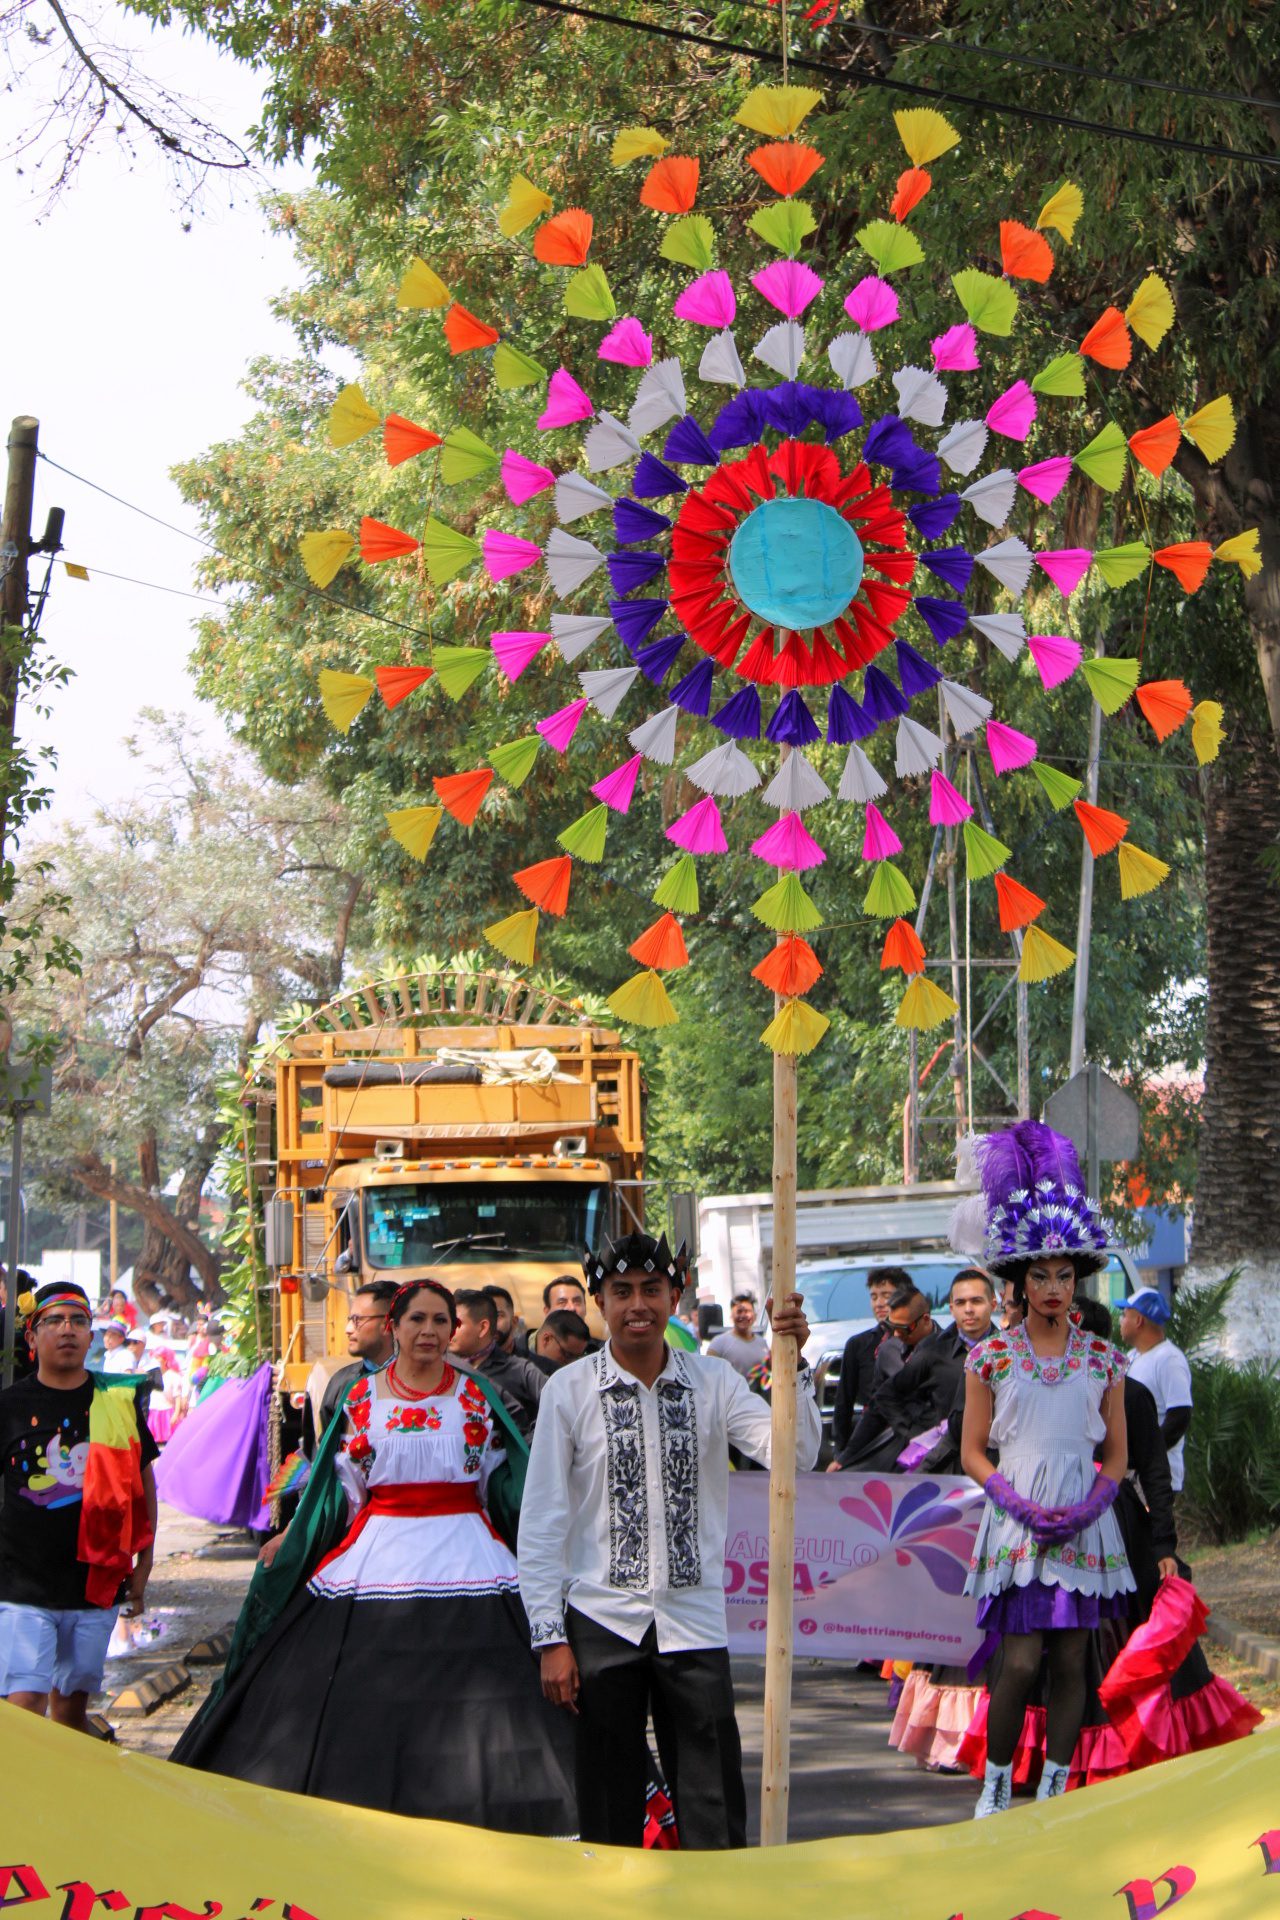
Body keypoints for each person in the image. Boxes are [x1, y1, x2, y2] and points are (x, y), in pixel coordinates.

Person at [172, 1278, 575, 1831]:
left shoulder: (477, 1395)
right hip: (375, 1553)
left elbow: (506, 1487)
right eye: (417, 1320)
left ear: (454, 1330)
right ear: (396, 1326)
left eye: (441, 1321)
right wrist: (295, 1538)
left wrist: (554, 1541)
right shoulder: (359, 1397)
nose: (429, 1331)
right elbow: (335, 1491)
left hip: (471, 1554)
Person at [518, 1228, 820, 1850]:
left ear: (675, 1295)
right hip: (601, 1620)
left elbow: (797, 1455)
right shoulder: (568, 1391)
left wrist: (792, 1362)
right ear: (598, 1301)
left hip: (694, 1619)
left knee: (712, 1804)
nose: (637, 1305)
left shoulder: (715, 1383)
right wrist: (549, 1637)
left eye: (651, 1290)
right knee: (608, 1806)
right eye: (621, 1290)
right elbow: (544, 1517)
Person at [956, 1121, 1135, 1817]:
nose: (1054, 1287)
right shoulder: (989, 1358)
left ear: (1077, 1280)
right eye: (1040, 1276)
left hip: (1086, 1522)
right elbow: (974, 1448)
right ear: (1019, 1281)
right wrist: (1016, 1503)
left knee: (1071, 1664)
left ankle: (1057, 1791)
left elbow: (1115, 1455)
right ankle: (997, 1785)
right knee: (1021, 1661)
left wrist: (1091, 1506)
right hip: (1018, 1523)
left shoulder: (1104, 1359)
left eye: (1064, 1275)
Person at [0, 1282, 157, 1734]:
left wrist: (144, 1564)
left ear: (91, 1336)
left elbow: (143, 1487)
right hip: (20, 1585)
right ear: (32, 1338)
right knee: (24, 1705)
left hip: (95, 1582)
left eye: (78, 1321)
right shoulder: (9, 1407)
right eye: (54, 1321)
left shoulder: (117, 1403)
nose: (67, 1330)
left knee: (69, 1716)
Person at [830, 1282, 938, 1471]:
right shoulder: (889, 1350)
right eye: (891, 1327)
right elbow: (877, 1408)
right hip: (900, 1446)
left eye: (903, 1329)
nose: (896, 1334)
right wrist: (845, 1457)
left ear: (925, 1319)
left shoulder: (948, 1350)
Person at [302, 1279, 397, 1456]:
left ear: (388, 1324)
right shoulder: (341, 1383)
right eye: (349, 1319)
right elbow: (324, 1455)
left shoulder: (426, 1379)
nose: (348, 1329)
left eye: (357, 1320)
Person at [1120, 1288, 1193, 1496]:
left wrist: (1146, 1455)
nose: (1121, 1320)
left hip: (1155, 1479)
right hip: (1131, 1475)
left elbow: (1179, 1417)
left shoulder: (1169, 1360)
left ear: (1139, 1321)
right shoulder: (1132, 1357)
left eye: (1125, 1314)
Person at [829, 1266, 904, 1456]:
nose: (879, 1303)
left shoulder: (921, 1340)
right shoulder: (858, 1344)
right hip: (869, 1437)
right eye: (874, 1297)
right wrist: (841, 1450)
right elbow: (844, 1401)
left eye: (886, 1295)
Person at [451, 1287, 545, 1433]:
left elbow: (560, 1408)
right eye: (445, 1321)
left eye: (457, 1324)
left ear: (483, 1327)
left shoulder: (521, 1371)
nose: (449, 1330)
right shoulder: (439, 1370)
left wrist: (527, 1446)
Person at [705, 1293, 770, 1381]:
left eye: (747, 1311)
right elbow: (709, 1376)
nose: (743, 1315)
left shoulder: (762, 1343)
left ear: (755, 1316)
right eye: (739, 1311)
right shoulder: (718, 1344)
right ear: (731, 1316)